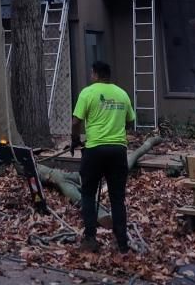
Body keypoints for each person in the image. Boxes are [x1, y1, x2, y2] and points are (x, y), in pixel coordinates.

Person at [71, 60, 135, 254]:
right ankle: (122, 242)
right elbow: (130, 122)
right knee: (117, 197)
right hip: (117, 151)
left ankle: (90, 239)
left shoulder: (87, 93)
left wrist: (75, 140)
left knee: (88, 194)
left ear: (95, 74)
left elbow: (76, 122)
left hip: (95, 150)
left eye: (92, 74)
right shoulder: (122, 94)